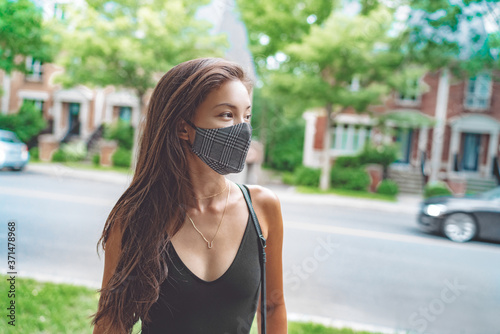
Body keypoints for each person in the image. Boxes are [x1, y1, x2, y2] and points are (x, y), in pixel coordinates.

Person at [90, 58, 287, 333]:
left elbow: (272, 306)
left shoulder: (263, 207)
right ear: (183, 127)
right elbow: (112, 323)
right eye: (227, 115)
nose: (242, 129)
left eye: (247, 116)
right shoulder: (135, 219)